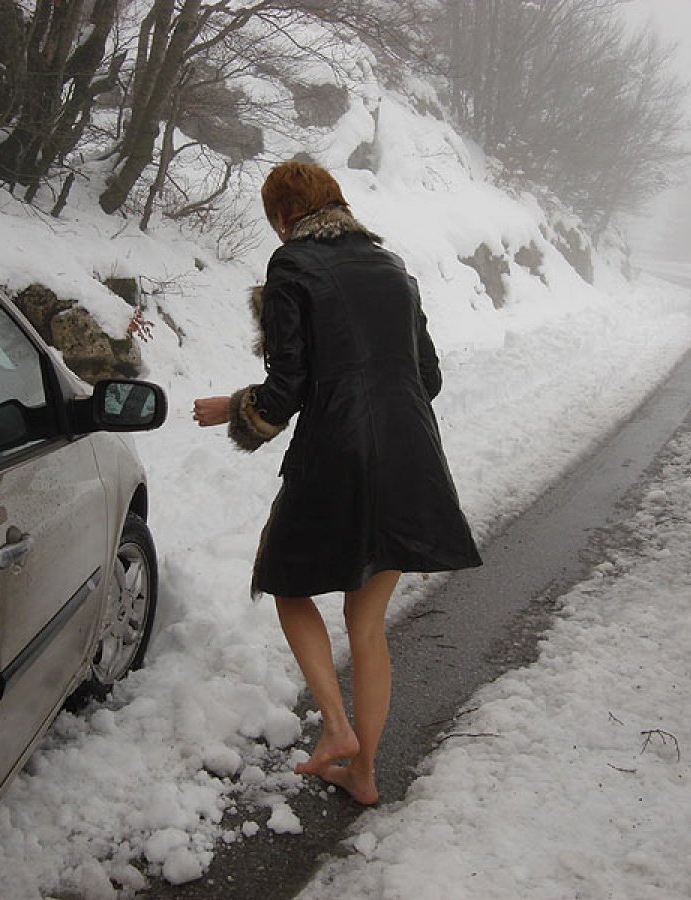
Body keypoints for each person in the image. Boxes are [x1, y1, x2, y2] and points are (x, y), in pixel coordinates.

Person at [194, 161, 481, 805]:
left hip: (337, 455)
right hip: (413, 458)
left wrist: (234, 409)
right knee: (367, 621)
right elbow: (427, 376)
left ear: (282, 216)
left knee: (284, 580)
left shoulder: (292, 267)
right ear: (337, 202)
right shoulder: (394, 269)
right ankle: (365, 773)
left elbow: (288, 386)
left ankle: (337, 730)